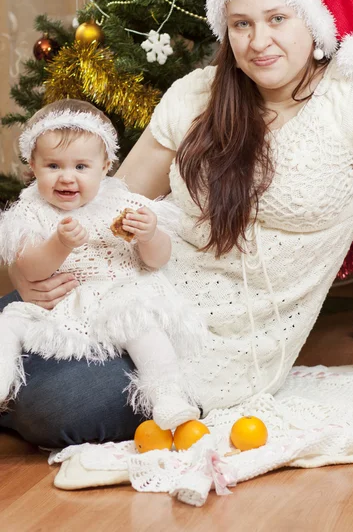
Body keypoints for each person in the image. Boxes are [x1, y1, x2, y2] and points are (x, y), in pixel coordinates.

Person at [1, 0, 353, 448]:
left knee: (58, 406)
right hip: (126, 287)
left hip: (226, 347)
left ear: (315, 18)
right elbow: (108, 196)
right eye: (242, 24)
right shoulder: (195, 95)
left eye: (277, 18)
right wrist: (23, 263)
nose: (258, 42)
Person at [0, 99, 206, 432]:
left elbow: (157, 260)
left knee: (142, 328)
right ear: (33, 166)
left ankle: (168, 396)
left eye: (81, 167)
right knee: (8, 322)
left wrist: (149, 235)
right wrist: (60, 244)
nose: (67, 178)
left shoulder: (121, 203)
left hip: (116, 298)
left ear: (105, 165)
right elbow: (31, 269)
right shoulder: (30, 211)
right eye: (53, 166)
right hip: (61, 306)